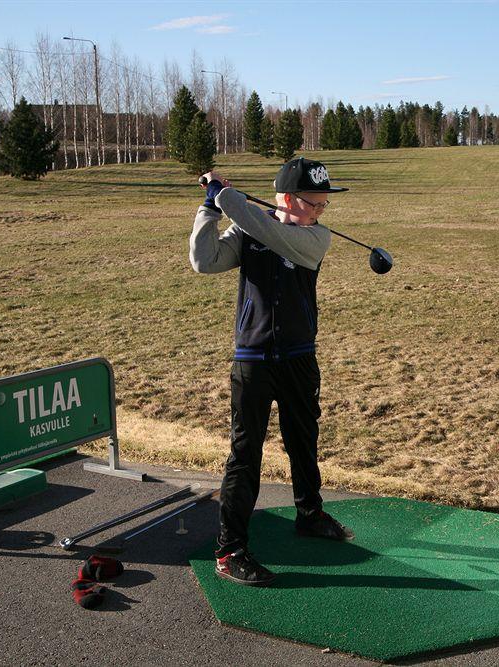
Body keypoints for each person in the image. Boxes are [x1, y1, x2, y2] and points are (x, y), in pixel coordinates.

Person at [189, 157, 353, 587]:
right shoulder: (248, 227)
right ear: (286, 197)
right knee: (245, 454)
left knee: (304, 440)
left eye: (323, 206)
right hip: (253, 359)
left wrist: (227, 196)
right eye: (314, 204)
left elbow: (272, 233)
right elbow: (204, 261)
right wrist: (210, 208)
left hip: (299, 356)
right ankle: (230, 550)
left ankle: (309, 513)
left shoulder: (314, 239)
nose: (320, 213)